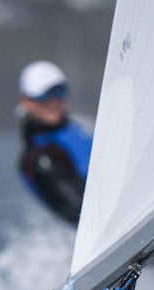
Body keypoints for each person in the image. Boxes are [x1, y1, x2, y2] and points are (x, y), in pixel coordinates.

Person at [16, 60, 93, 225]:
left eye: (58, 92)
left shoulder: (81, 126)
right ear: (26, 101)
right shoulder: (40, 160)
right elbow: (82, 212)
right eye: (43, 95)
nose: (52, 102)